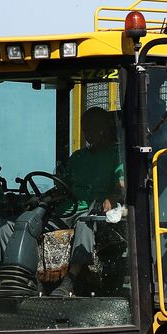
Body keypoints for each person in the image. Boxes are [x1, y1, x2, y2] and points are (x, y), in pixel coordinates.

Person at [52, 107, 126, 295]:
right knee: (23, 224)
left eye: (95, 129)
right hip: (66, 210)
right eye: (86, 129)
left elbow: (122, 184)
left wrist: (112, 197)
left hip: (92, 212)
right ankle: (21, 280)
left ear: (106, 129)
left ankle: (70, 280)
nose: (90, 135)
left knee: (85, 223)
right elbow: (62, 184)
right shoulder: (78, 157)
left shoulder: (116, 155)